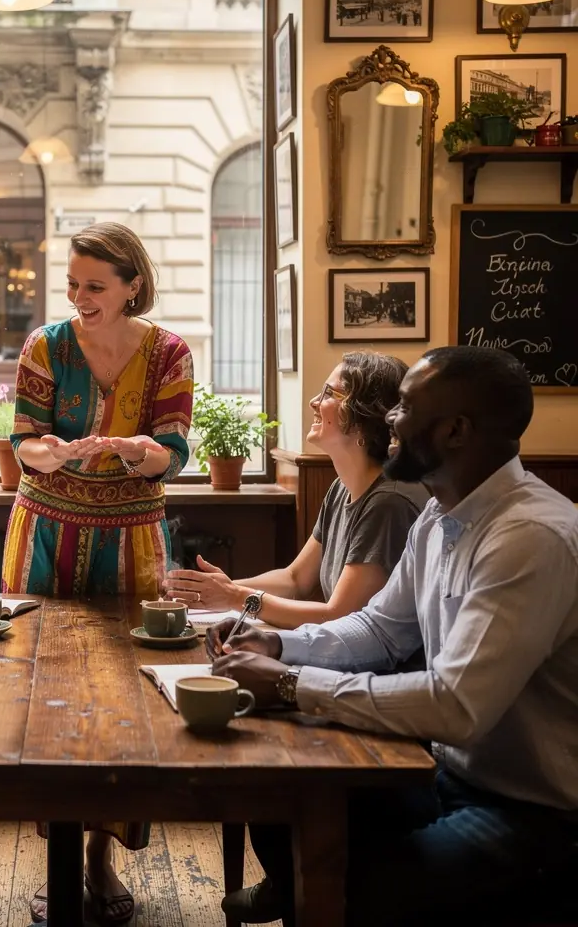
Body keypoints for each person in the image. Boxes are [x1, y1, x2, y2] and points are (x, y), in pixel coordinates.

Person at [207, 346, 578, 927]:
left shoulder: (529, 536)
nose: (390, 421)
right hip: (447, 773)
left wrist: (291, 682)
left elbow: (456, 705)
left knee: (361, 890)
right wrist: (277, 644)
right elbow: (378, 628)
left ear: (456, 430)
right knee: (283, 794)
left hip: (533, 810)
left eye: (405, 408)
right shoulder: (439, 517)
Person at [1, 221, 194, 925]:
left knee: (124, 699)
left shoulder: (170, 351)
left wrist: (140, 449)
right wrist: (42, 453)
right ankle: (56, 859)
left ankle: (100, 857)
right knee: (43, 692)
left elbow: (174, 452)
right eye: (73, 285)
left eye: (95, 286)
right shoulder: (44, 345)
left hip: (132, 536)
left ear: (132, 285)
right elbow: (24, 438)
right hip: (46, 529)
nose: (80, 298)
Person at [163, 352, 429, 628]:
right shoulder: (341, 488)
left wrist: (235, 596)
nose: (314, 401)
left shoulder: (388, 503)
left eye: (329, 393)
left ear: (362, 416)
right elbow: (295, 580)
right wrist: (219, 589)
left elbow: (340, 616)